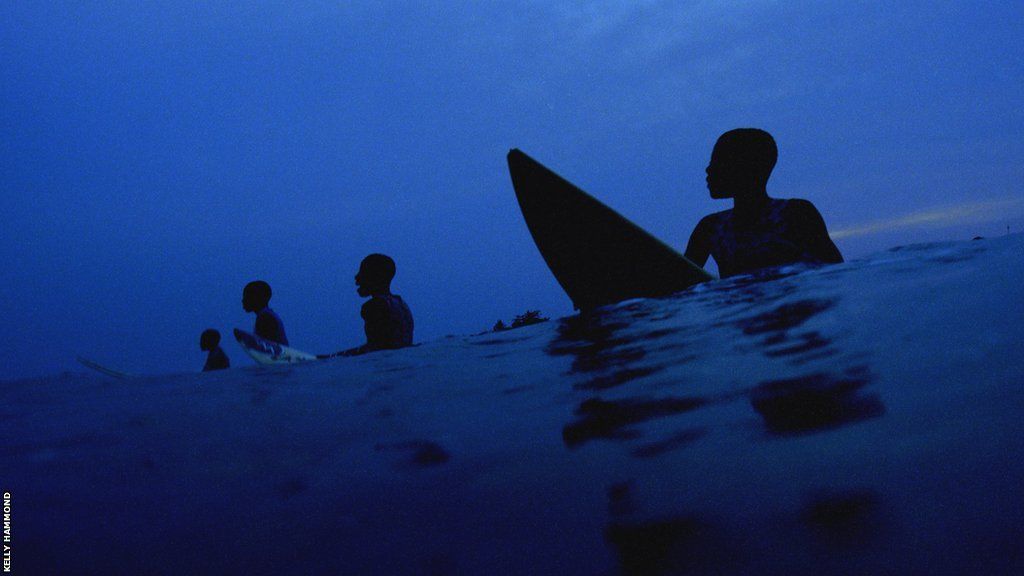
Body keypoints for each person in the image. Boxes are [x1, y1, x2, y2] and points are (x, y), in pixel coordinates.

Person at [684, 128, 843, 278]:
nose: (708, 169)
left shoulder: (796, 214)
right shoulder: (709, 228)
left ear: (746, 167)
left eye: (718, 161)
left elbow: (834, 271)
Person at [333, 254, 414, 356]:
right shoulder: (401, 304)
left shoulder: (374, 306)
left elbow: (377, 349)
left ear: (375, 277)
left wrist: (334, 357)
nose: (357, 277)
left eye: (363, 272)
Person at [242, 280, 289, 345]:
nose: (243, 300)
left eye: (246, 296)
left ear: (256, 298)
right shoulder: (267, 315)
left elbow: (268, 348)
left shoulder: (265, 317)